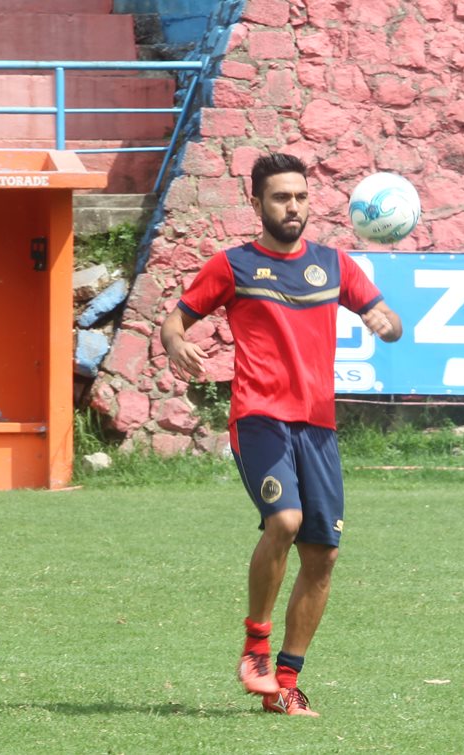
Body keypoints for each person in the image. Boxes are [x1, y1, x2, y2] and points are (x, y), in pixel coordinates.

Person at [161, 153, 403, 717]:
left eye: (299, 197)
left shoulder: (334, 264)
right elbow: (176, 319)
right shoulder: (234, 265)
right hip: (259, 418)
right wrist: (176, 343)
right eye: (279, 198)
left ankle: (285, 686)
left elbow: (390, 323)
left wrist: (384, 324)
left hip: (318, 427)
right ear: (257, 204)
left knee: (323, 557)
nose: (292, 207)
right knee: (285, 523)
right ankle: (255, 649)